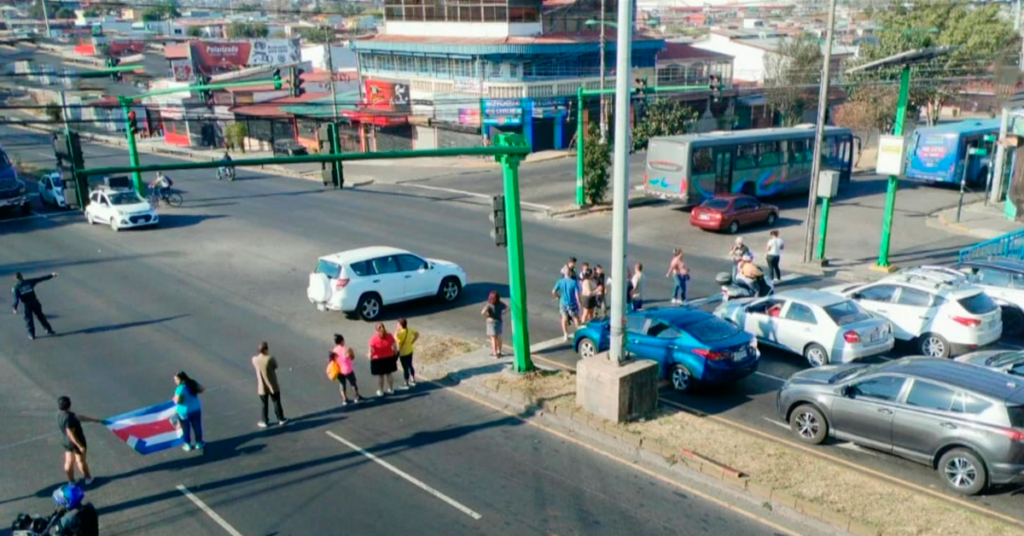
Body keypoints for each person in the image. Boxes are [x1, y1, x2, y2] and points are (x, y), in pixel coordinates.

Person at [57, 396, 99, 486]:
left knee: (68, 461)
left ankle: (71, 481)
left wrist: (93, 420)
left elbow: (79, 417)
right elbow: (70, 433)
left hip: (65, 441)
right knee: (80, 460)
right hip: (75, 442)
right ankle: (88, 478)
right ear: (69, 405)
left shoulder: (60, 415)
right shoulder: (69, 418)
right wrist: (80, 445)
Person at [13, 272, 57, 340]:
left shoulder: (16, 288)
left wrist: (15, 308)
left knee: (29, 319)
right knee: (41, 316)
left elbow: (16, 299)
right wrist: (51, 275)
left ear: (15, 278)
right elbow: (40, 279)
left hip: (26, 304)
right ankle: (48, 329)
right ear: (22, 276)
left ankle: (31, 334)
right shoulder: (29, 282)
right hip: (35, 302)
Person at [252, 342, 286, 428]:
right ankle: (281, 419)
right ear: (265, 350)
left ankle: (264, 420)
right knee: (276, 402)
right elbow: (275, 366)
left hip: (261, 386)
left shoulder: (254, 359)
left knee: (264, 404)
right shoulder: (270, 359)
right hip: (272, 385)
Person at [172, 372, 205, 452]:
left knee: (185, 428)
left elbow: (176, 401)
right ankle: (199, 443)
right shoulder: (193, 383)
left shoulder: (180, 388)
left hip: (184, 411)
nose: (175, 382)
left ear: (180, 379)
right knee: (197, 426)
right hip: (196, 408)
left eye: (176, 379)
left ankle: (188, 445)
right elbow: (202, 389)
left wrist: (175, 398)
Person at [368, 323, 399, 396]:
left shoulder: (374, 338)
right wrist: (394, 354)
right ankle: (391, 389)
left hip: (378, 360)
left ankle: (381, 391)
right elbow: (395, 347)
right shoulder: (390, 336)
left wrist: (370, 357)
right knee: (389, 374)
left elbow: (371, 350)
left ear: (376, 330)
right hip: (389, 358)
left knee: (381, 376)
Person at [552, 266, 580, 341]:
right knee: (575, 318)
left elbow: (553, 291)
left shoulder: (560, 282)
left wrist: (557, 297)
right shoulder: (573, 282)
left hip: (563, 303)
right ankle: (579, 332)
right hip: (572, 303)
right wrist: (579, 303)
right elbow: (577, 295)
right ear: (570, 273)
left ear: (564, 273)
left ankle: (565, 334)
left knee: (564, 318)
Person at [332, 334, 362, 405]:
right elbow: (352, 357)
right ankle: (357, 397)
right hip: (347, 370)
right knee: (353, 383)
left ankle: (345, 399)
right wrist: (351, 352)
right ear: (342, 341)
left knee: (342, 384)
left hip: (339, 370)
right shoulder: (346, 349)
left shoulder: (334, 350)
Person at [481, 290, 507, 358]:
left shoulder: (489, 304)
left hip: (491, 322)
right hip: (499, 321)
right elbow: (507, 308)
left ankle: (494, 353)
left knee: (493, 338)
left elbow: (482, 312)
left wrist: (487, 317)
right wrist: (502, 313)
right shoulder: (501, 304)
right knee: (498, 336)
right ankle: (499, 351)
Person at [395, 318, 419, 389]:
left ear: (401, 325)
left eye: (398, 324)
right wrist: (412, 341)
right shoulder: (409, 329)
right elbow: (417, 334)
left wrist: (396, 332)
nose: (396, 325)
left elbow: (395, 340)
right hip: (410, 350)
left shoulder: (399, 334)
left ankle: (406, 382)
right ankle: (413, 380)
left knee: (405, 368)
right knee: (410, 365)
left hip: (403, 353)